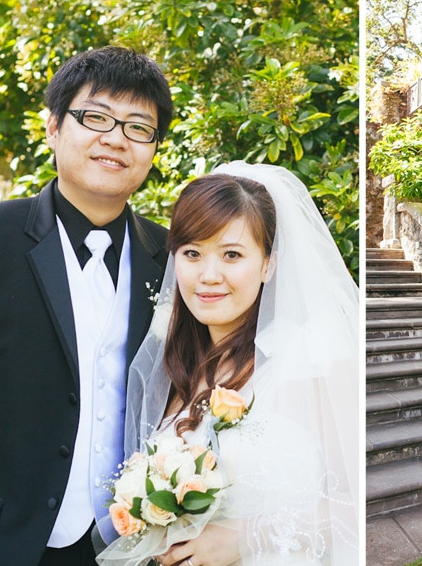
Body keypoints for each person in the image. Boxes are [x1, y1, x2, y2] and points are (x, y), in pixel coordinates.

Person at [0, 46, 174, 564]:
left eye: (139, 127)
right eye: (95, 117)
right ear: (53, 126)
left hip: (125, 545)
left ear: (154, 148)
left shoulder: (172, 259)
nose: (116, 138)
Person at [97, 161, 359, 565]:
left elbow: (360, 507)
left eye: (232, 254)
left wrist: (249, 537)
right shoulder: (177, 370)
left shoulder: (314, 358)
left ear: (268, 263)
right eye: (192, 253)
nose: (209, 275)